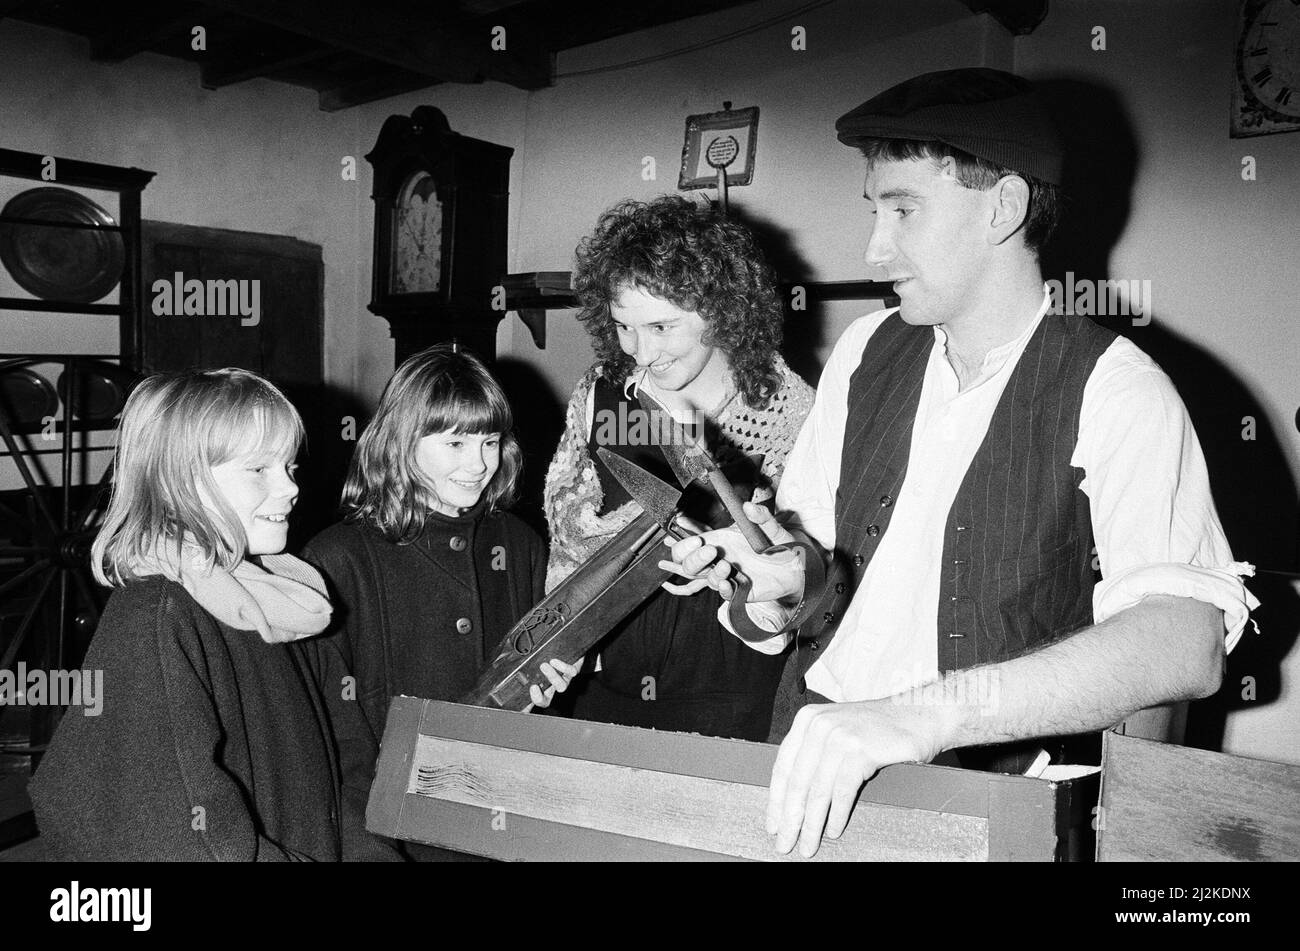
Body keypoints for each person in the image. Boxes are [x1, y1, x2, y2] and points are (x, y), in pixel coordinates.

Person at [663, 69, 1260, 856]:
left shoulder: (1117, 389)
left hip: (984, 807)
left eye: (903, 210)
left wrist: (926, 713)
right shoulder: (865, 351)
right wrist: (772, 586)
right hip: (811, 759)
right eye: (874, 211)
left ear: (1004, 207)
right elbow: (814, 581)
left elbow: (1185, 641)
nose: (875, 251)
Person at [30, 368, 394, 860]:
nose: (290, 489)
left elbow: (347, 756)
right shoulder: (156, 617)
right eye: (259, 469)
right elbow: (149, 827)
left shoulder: (287, 598)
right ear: (181, 481)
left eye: (289, 467)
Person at [545, 195, 814, 741]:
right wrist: (566, 641)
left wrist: (728, 553)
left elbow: (808, 574)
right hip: (610, 669)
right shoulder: (604, 395)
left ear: (722, 310)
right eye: (624, 327)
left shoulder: (787, 412)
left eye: (661, 328)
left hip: (732, 686)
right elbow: (566, 530)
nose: (640, 352)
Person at [302, 345, 579, 858]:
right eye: (454, 443)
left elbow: (528, 690)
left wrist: (543, 689)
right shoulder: (338, 558)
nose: (478, 464)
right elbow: (334, 734)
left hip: (503, 823)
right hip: (391, 832)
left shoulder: (518, 544)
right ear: (402, 443)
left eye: (490, 441)